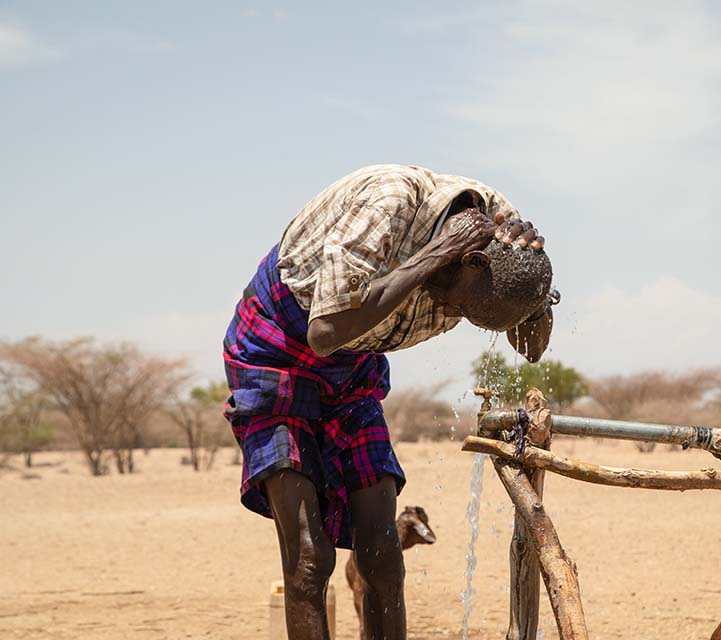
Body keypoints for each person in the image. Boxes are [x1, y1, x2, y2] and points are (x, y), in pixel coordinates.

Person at [222, 164, 556, 640]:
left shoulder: (507, 244)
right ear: (470, 261)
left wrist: (540, 299)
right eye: (463, 308)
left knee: (381, 555)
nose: (453, 314)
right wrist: (435, 254)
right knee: (310, 557)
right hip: (279, 349)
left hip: (355, 363)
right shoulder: (386, 205)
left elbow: (531, 346)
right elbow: (325, 333)